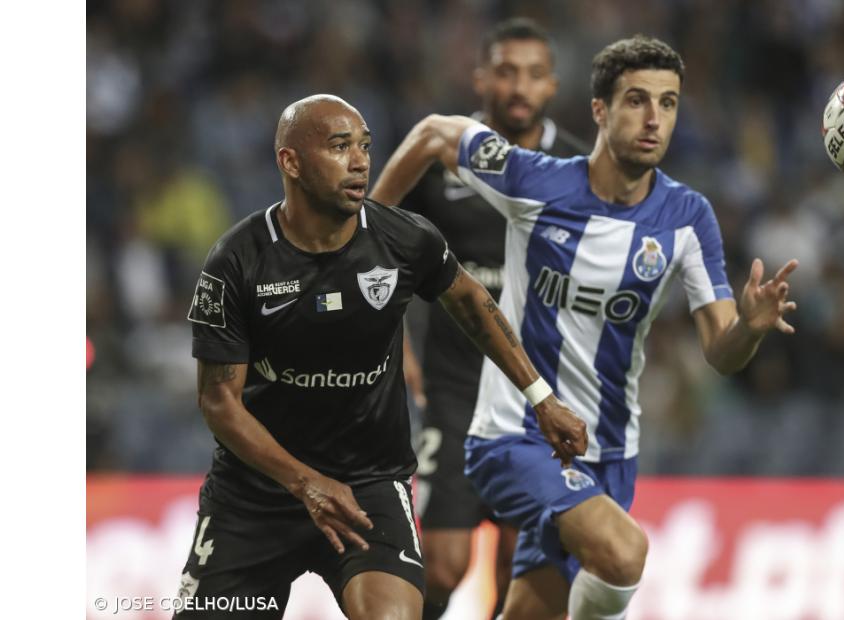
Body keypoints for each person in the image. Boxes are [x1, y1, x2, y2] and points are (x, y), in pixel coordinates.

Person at [370, 36, 799, 620]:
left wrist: (749, 327)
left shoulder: (688, 217)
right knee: (624, 555)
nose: (654, 120)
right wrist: (364, 245)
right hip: (516, 434)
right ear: (600, 110)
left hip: (610, 451)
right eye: (637, 101)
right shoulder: (535, 181)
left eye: (668, 104)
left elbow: (722, 353)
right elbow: (433, 134)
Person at [177, 94, 587, 620]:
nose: (360, 161)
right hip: (256, 495)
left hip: (367, 486)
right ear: (290, 162)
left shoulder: (403, 238)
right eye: (339, 146)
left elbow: (470, 300)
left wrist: (541, 397)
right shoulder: (236, 261)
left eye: (365, 146)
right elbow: (218, 403)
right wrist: (305, 483)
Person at [398, 18, 588, 620]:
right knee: (446, 562)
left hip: (536, 395)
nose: (518, 86)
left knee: (519, 565)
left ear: (552, 85)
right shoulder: (438, 157)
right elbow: (383, 249)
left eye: (533, 74)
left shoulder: (577, 166)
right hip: (453, 388)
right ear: (481, 78)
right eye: (506, 71)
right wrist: (398, 343)